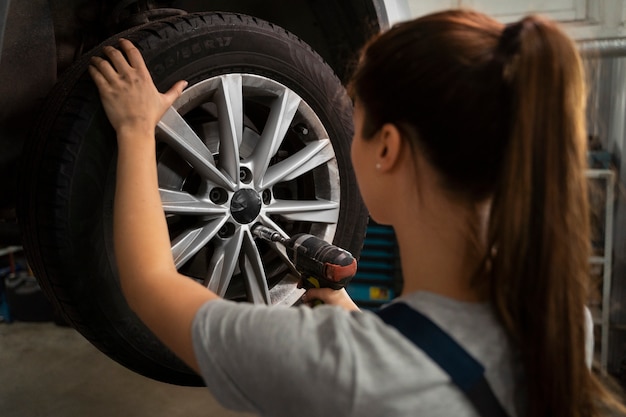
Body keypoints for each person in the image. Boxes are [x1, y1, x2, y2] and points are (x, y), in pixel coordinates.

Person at [88, 8, 625, 417]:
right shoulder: (558, 323)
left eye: (356, 119)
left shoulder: (335, 369)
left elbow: (149, 285)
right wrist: (348, 313)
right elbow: (417, 370)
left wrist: (137, 130)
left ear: (387, 149)